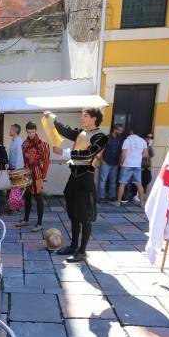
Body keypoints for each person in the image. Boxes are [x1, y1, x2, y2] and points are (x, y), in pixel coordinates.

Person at [43, 108, 108, 263]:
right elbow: (64, 130)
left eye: (85, 116)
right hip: (73, 179)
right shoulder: (81, 133)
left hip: (86, 179)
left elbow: (90, 153)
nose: (82, 118)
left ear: (94, 118)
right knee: (73, 216)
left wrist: (65, 153)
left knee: (84, 218)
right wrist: (52, 117)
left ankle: (82, 251)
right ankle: (73, 246)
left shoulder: (101, 137)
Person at [16, 122, 50, 232]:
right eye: (29, 132)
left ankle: (39, 223)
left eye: (33, 132)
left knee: (38, 197)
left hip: (37, 173)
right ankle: (26, 219)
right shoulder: (24, 143)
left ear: (35, 131)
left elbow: (46, 160)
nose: (31, 134)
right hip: (27, 172)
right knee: (27, 196)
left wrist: (44, 175)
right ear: (26, 131)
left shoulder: (42, 143)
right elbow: (24, 159)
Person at [114, 129, 148, 207]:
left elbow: (123, 154)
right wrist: (138, 157)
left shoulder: (127, 141)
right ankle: (142, 202)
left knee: (122, 183)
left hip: (127, 164)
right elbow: (146, 154)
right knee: (139, 184)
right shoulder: (143, 141)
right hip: (137, 165)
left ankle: (118, 202)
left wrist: (121, 162)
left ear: (131, 131)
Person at [99, 124, 124, 201]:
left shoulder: (121, 139)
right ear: (115, 130)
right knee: (103, 180)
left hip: (115, 163)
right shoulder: (106, 137)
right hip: (106, 162)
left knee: (113, 181)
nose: (121, 131)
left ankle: (112, 196)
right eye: (119, 130)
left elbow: (121, 151)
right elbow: (100, 149)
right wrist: (102, 160)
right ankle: (101, 197)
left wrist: (120, 161)